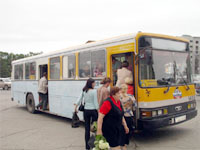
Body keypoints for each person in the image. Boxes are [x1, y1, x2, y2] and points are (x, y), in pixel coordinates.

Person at [74, 78, 99, 150]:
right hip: (93, 111)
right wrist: (99, 111)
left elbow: (79, 99)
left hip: (86, 111)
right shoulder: (94, 91)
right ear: (91, 84)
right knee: (95, 128)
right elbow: (95, 102)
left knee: (87, 129)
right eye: (94, 83)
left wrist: (76, 106)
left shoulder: (84, 90)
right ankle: (94, 144)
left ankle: (87, 147)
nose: (94, 84)